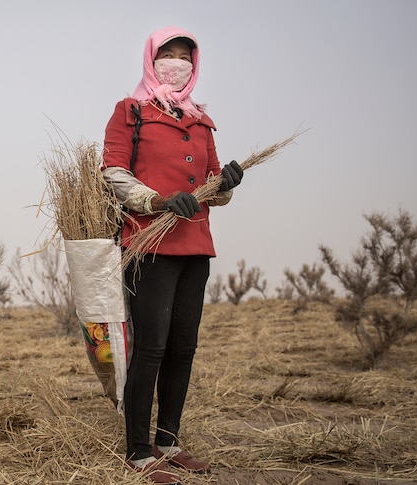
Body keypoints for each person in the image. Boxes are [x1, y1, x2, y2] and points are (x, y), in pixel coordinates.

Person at [101, 25, 243, 484]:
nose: (177, 63)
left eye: (185, 56)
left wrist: (227, 184)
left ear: (194, 66)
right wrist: (159, 202)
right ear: (152, 58)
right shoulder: (131, 111)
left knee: (184, 347)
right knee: (152, 347)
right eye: (169, 54)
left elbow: (213, 184)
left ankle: (168, 440)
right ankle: (139, 451)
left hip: (195, 246)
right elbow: (113, 173)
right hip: (147, 242)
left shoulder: (200, 119)